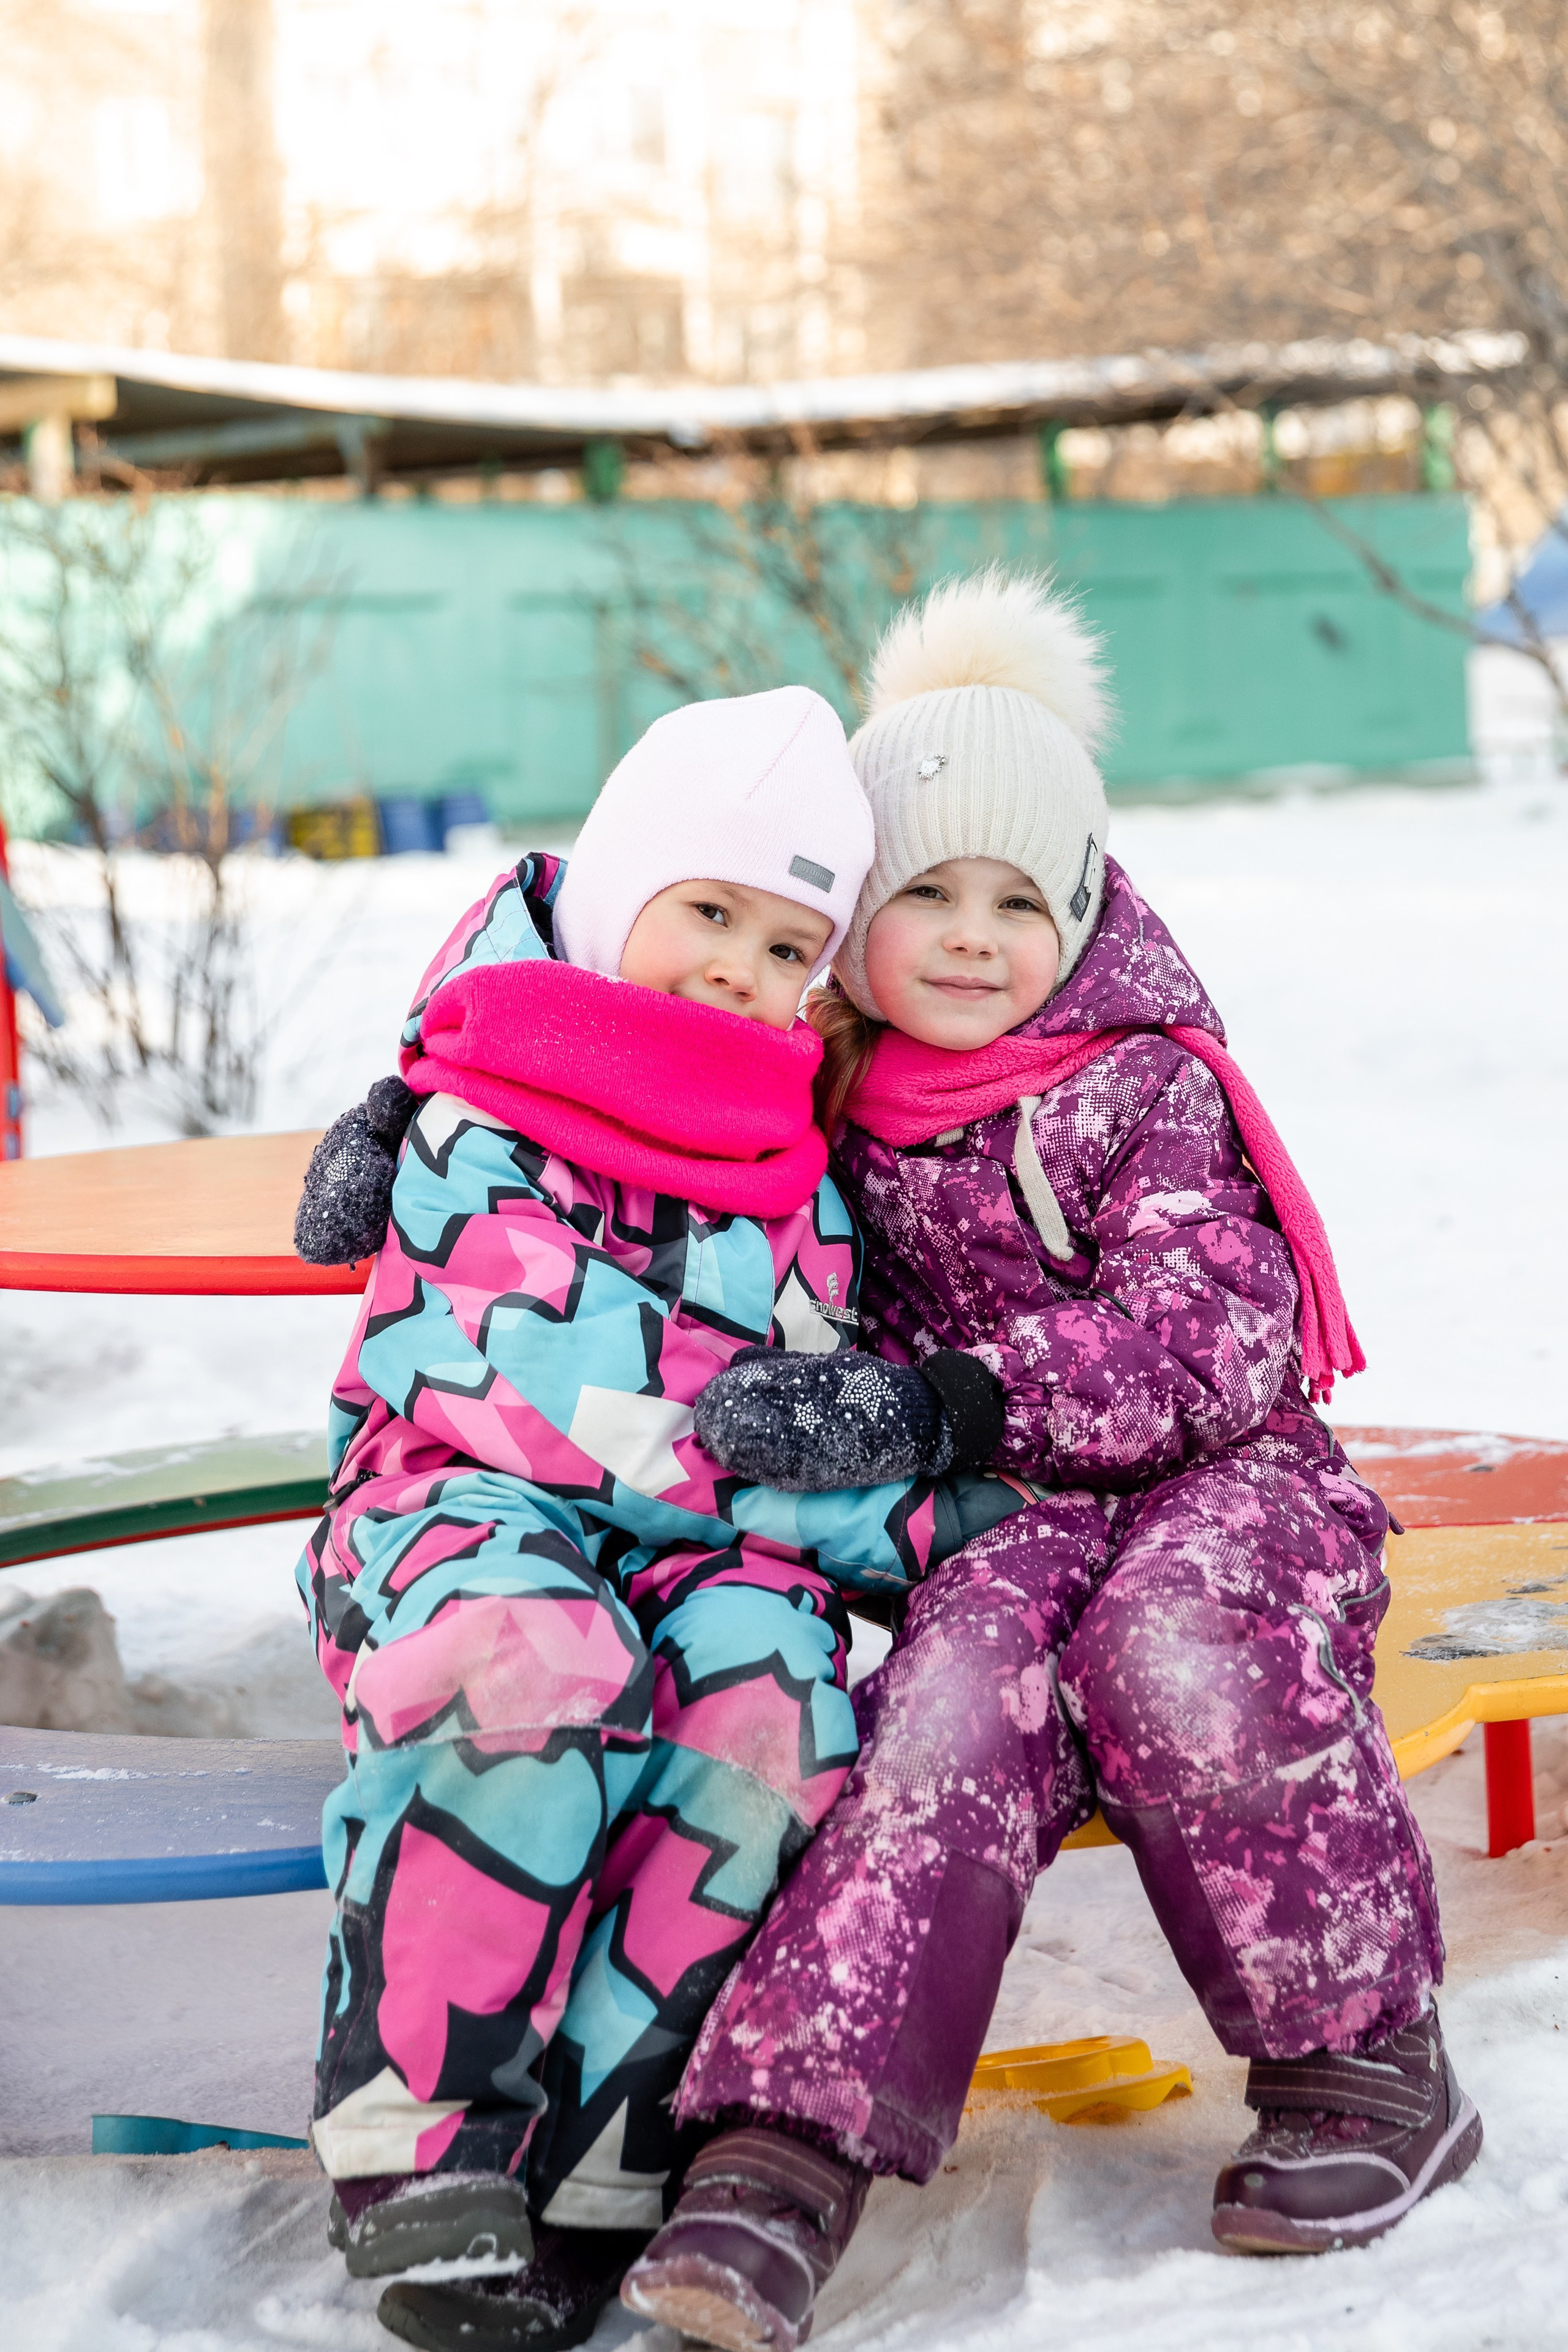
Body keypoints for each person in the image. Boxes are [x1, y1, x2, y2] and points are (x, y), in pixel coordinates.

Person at [622, 573, 1481, 2352]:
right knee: (949, 1703)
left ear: (1081, 912)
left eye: (1021, 898)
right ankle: (784, 2150)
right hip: (1006, 1520)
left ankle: (1365, 2060)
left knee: (1172, 1642)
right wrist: (422, 1101)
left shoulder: (1140, 1080)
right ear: (852, 914)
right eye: (926, 888)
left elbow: (1215, 1332)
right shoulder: (817, 1101)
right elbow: (592, 1019)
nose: (970, 933)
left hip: (1231, 1483)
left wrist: (944, 1399)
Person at [291, 682, 1020, 2352]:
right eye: (706, 913)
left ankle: (604, 2157)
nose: (737, 973)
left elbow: (786, 1379)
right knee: (534, 1669)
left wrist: (861, 1467)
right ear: (623, 888)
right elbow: (565, 1402)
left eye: (786, 947)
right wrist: (906, 1527)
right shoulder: (486, 1108)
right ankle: (428, 2141)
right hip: (456, 1506)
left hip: (695, 1555)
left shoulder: (784, 1151)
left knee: (768, 1695)